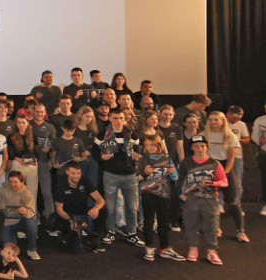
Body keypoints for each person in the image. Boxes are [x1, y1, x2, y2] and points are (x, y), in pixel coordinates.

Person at [95, 108, 144, 246]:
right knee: (110, 207)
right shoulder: (102, 135)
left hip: (130, 175)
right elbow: (95, 151)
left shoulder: (132, 135)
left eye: (121, 118)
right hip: (110, 174)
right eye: (115, 118)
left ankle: (132, 233)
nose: (118, 121)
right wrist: (101, 156)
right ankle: (111, 232)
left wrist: (136, 156)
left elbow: (136, 152)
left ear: (125, 119)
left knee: (132, 207)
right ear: (110, 118)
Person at [178, 135, 228, 265]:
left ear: (207, 147)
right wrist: (180, 193)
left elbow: (224, 181)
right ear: (191, 148)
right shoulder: (186, 163)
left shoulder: (214, 163)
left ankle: (212, 251)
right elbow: (180, 179)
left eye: (202, 146)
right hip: (191, 198)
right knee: (190, 224)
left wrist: (212, 183)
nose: (200, 149)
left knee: (211, 225)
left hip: (210, 198)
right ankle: (192, 247)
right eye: (196, 146)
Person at [134, 136, 185, 260]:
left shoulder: (167, 159)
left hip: (164, 194)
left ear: (159, 145)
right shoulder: (143, 160)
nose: (149, 147)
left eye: (152, 144)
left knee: (163, 222)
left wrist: (173, 171)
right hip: (148, 193)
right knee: (148, 221)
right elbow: (136, 179)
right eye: (147, 145)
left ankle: (164, 248)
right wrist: (145, 173)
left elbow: (175, 178)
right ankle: (149, 247)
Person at [204, 112, 248, 242]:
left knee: (233, 201)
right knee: (211, 201)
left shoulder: (230, 136)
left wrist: (224, 173)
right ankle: (215, 227)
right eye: (211, 119)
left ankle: (240, 232)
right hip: (209, 168)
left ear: (222, 121)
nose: (213, 122)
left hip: (225, 169)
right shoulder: (204, 135)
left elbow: (231, 158)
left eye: (216, 120)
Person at [53, 162, 106, 253]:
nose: (76, 176)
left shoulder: (84, 181)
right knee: (76, 250)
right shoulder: (60, 184)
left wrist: (96, 208)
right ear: (67, 172)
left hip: (82, 213)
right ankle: (67, 235)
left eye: (78, 173)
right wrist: (70, 220)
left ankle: (94, 236)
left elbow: (100, 199)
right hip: (67, 215)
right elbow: (59, 209)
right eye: (73, 173)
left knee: (103, 210)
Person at [0, 171, 40, 260]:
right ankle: (12, 239)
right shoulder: (1, 191)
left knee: (32, 224)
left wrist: (25, 211)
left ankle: (32, 249)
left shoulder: (26, 193)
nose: (13, 184)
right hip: (7, 223)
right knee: (7, 252)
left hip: (21, 221)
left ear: (22, 182)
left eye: (15, 182)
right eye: (10, 181)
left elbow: (32, 212)